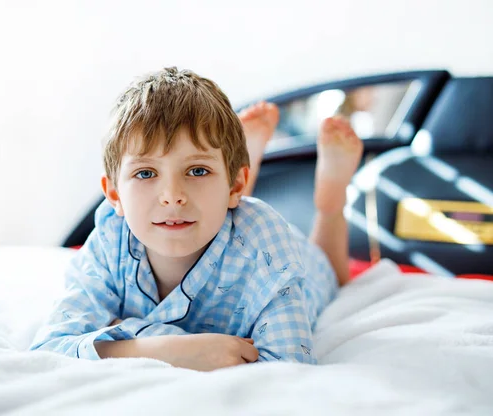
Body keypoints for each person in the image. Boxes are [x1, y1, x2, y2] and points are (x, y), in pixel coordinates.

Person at [30, 67, 363, 371]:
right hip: (225, 212)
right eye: (146, 173)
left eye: (197, 170)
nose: (172, 195)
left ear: (235, 184)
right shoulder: (110, 242)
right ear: (115, 195)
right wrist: (169, 349)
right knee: (212, 205)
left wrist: (119, 336)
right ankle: (229, 169)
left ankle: (331, 199)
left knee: (332, 271)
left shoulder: (268, 250)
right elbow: (50, 347)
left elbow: (291, 365)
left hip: (282, 250)